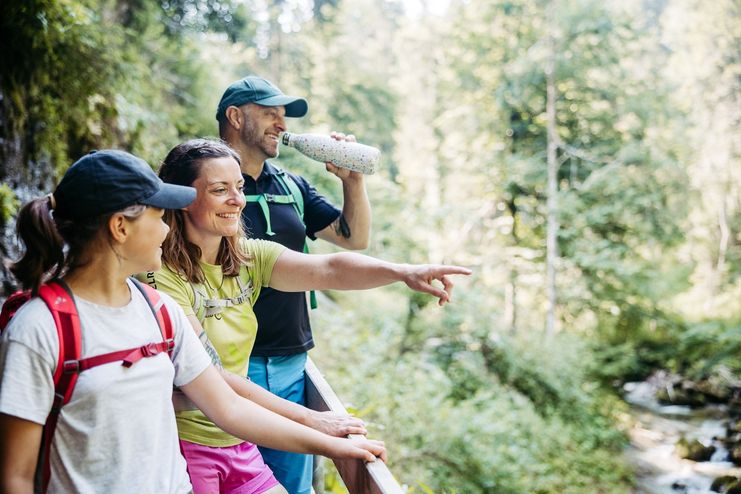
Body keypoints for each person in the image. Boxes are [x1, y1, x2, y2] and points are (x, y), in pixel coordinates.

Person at [0, 150, 386, 494]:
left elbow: (229, 409)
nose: (168, 228)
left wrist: (333, 444)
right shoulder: (39, 329)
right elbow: (16, 476)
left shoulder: (159, 311)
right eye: (157, 216)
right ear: (120, 227)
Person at [147, 138, 471, 494]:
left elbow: (329, 268)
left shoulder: (246, 259)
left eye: (239, 187)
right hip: (184, 446)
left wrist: (402, 272)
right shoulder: (159, 276)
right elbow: (212, 376)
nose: (237, 200)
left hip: (239, 443)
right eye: (220, 190)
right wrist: (313, 420)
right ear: (181, 198)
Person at [217, 75, 372, 493]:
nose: (281, 124)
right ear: (235, 117)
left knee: (289, 488)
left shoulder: (291, 185)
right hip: (224, 368)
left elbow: (352, 239)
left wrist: (351, 179)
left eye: (282, 115)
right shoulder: (202, 184)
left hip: (289, 363)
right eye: (269, 113)